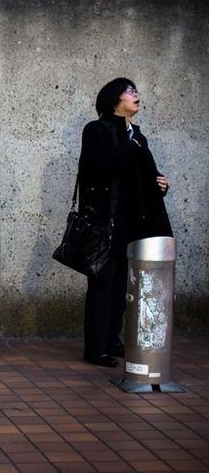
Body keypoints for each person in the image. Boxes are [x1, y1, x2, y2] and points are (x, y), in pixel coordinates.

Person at [78, 77, 172, 367]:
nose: (136, 95)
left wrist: (161, 184)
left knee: (122, 287)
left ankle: (112, 340)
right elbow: (98, 169)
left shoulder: (138, 136)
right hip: (105, 222)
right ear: (114, 98)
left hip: (131, 223)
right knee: (102, 286)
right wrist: (130, 145)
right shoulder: (96, 131)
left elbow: (145, 176)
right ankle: (95, 348)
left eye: (135, 91)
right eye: (130, 91)